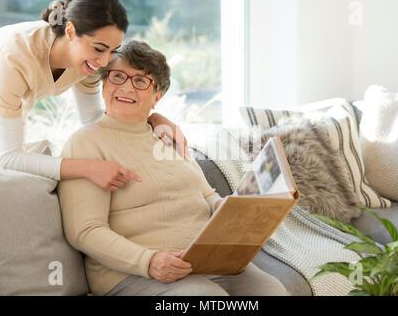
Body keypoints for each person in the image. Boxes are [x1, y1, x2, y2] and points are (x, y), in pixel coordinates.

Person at [57, 40, 290, 296]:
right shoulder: (86, 143)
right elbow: (85, 231)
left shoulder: (167, 136)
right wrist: (149, 261)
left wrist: (221, 207)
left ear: (157, 97)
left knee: (272, 290)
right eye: (118, 76)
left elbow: (205, 193)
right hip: (133, 273)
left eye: (140, 81)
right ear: (104, 84)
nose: (126, 87)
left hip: (209, 262)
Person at [0, 0, 187, 192]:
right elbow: (11, 157)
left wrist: (152, 118)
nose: (105, 62)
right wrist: (89, 168)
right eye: (99, 48)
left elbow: (92, 119)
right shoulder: (14, 57)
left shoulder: (88, 63)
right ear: (70, 31)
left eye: (113, 51)